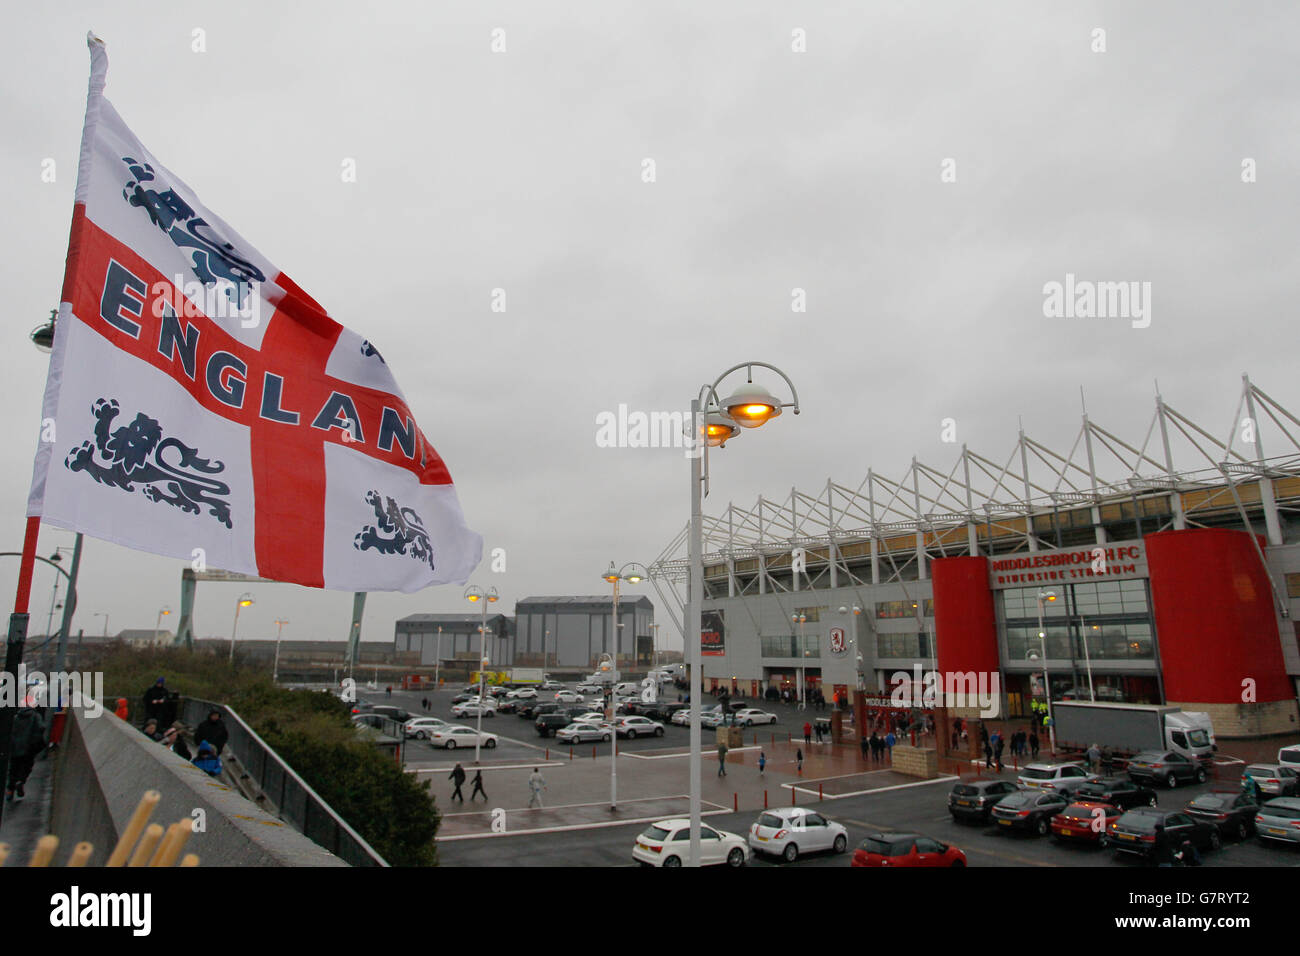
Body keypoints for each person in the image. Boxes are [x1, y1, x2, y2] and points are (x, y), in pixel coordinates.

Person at [5, 696, 46, 802]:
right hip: (28, 748)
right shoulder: (35, 716)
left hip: (15, 748)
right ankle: (21, 781)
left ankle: (10, 790)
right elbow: (41, 727)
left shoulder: (16, 717)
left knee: (13, 769)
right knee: (26, 766)